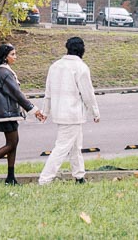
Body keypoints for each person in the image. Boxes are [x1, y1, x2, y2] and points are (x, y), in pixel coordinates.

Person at [0, 42, 43, 184]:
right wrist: (34, 110)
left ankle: (10, 178)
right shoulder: (5, 72)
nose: (15, 57)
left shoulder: (3, 71)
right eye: (13, 54)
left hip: (8, 113)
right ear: (5, 57)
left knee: (13, 143)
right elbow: (17, 94)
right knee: (11, 144)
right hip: (7, 114)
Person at [37, 36, 100, 185]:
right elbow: (88, 93)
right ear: (82, 50)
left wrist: (45, 112)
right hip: (73, 114)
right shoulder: (81, 67)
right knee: (62, 147)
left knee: (75, 147)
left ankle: (79, 176)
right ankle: (45, 179)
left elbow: (48, 92)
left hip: (60, 113)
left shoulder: (55, 66)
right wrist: (95, 112)